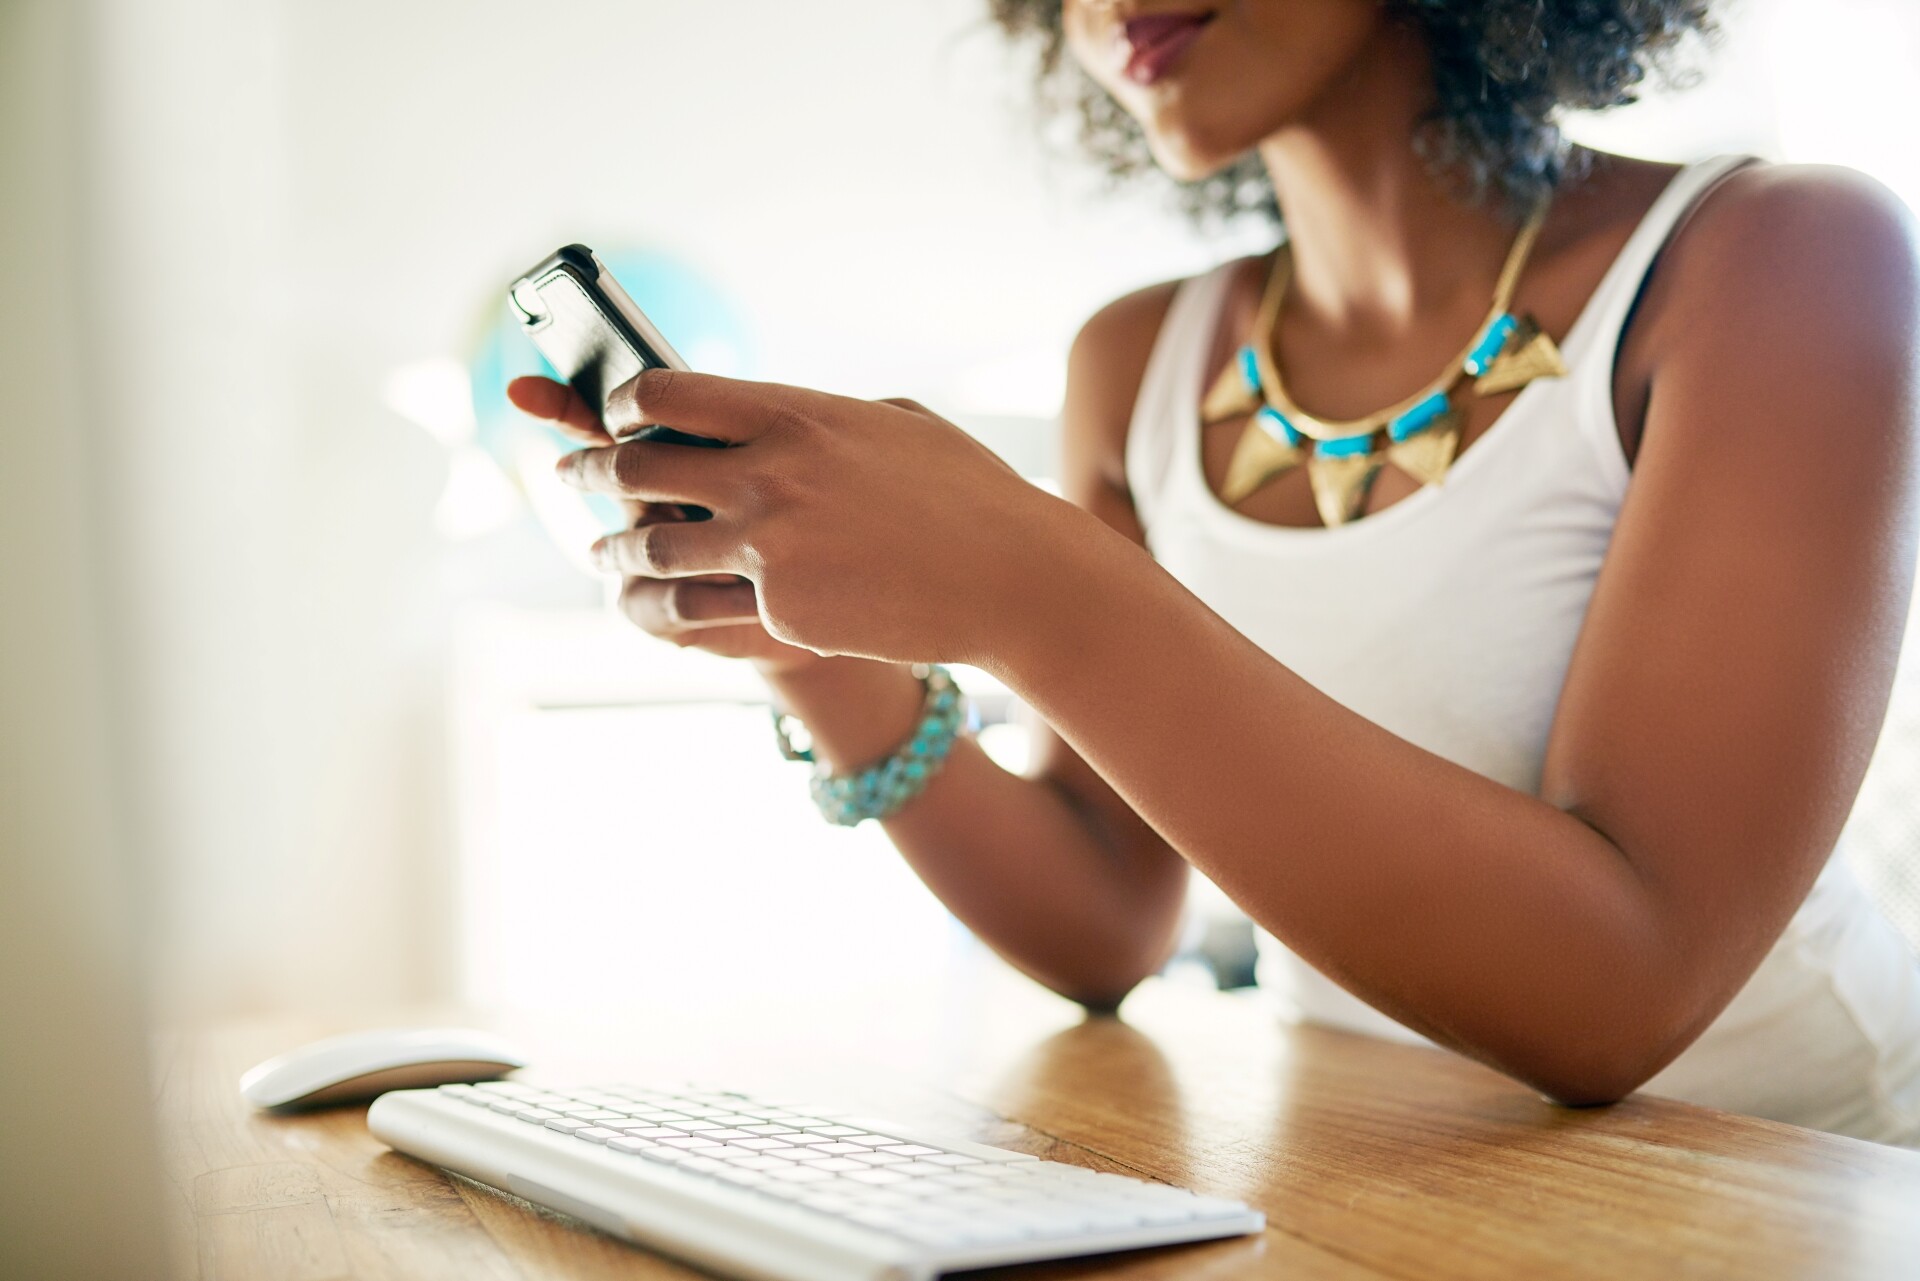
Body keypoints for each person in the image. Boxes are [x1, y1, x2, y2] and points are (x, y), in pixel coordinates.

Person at [509, 0, 1920, 1145]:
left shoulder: (1781, 260)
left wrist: (1032, 584)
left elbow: (1624, 989)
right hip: (1399, 1186)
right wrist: (811, 655)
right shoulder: (1138, 362)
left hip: (1787, 1182)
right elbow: (1103, 917)